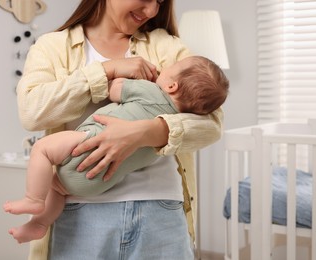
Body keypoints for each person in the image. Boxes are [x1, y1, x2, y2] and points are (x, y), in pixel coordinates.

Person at [16, 0, 224, 259]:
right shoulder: (54, 46)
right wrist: (105, 71)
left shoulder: (165, 45)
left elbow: (212, 124)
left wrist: (143, 133)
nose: (150, 11)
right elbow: (32, 112)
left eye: (159, 3)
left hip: (159, 210)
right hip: (80, 210)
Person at [5, 55, 229, 243]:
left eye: (170, 67)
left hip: (85, 146)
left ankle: (34, 200)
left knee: (42, 150)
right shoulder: (177, 122)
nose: (164, 67)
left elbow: (114, 89)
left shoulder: (149, 90)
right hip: (98, 183)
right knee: (59, 188)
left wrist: (116, 74)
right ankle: (40, 223)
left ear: (171, 86)